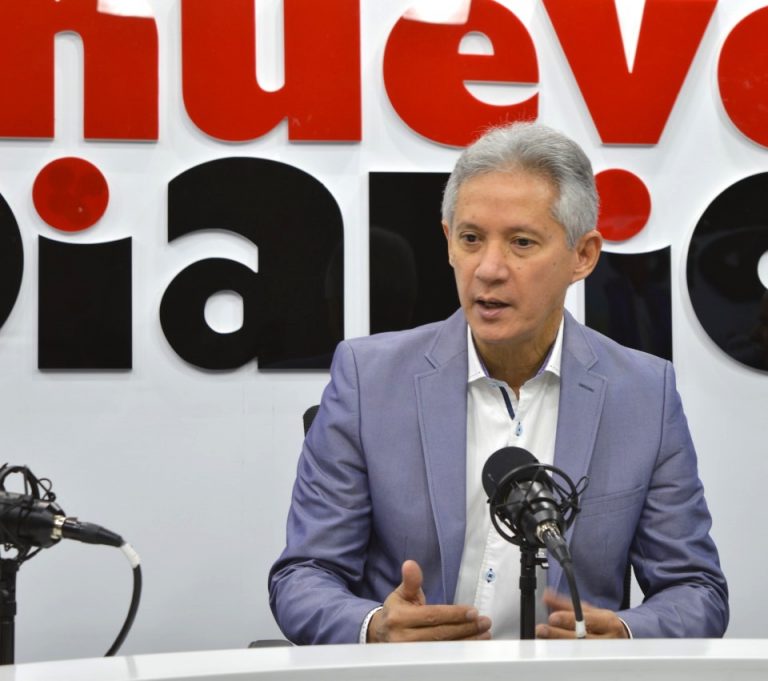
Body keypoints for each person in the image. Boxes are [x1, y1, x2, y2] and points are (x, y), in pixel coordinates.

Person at [269, 122, 728, 643]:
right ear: (448, 243)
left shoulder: (645, 394)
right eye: (471, 239)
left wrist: (623, 634)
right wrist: (375, 627)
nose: (488, 269)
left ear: (583, 255)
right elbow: (302, 575)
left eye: (521, 242)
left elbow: (697, 590)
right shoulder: (367, 380)